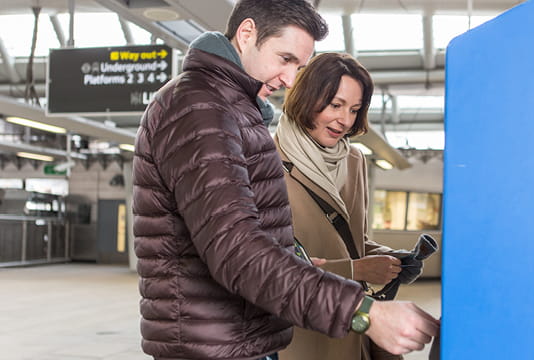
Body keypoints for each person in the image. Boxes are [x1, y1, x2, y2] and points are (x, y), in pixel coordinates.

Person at [132, 1, 439, 359]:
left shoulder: (234, 111)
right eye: (285, 59)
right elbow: (237, 250)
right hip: (216, 346)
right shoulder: (200, 108)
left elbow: (267, 241)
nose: (291, 80)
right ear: (247, 34)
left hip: (243, 338)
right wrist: (362, 312)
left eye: (300, 66)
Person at [275, 53, 425, 360]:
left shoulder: (354, 160)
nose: (345, 120)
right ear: (307, 98)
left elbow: (353, 238)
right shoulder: (265, 160)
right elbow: (265, 266)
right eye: (335, 105)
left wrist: (389, 259)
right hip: (298, 331)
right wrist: (356, 269)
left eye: (355, 110)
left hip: (352, 326)